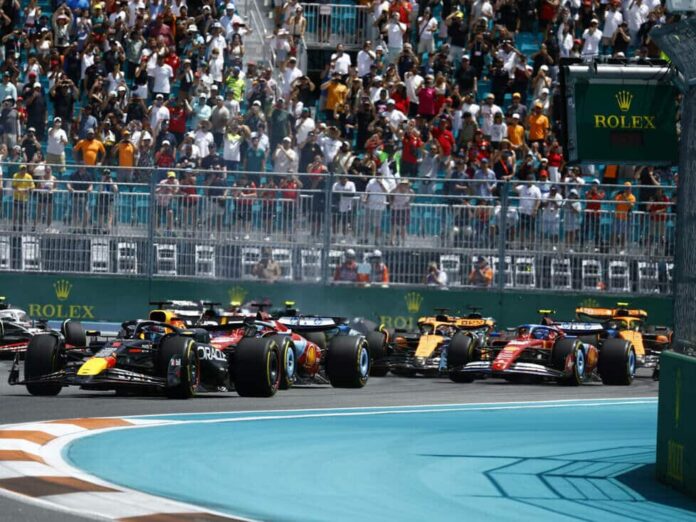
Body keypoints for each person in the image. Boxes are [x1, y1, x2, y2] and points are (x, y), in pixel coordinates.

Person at [614, 181, 636, 252]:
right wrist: (617, 195)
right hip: (617, 217)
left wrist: (625, 198)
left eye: (628, 188)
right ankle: (614, 248)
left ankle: (622, 249)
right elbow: (615, 202)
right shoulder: (619, 195)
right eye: (626, 188)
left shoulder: (632, 197)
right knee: (615, 233)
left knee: (623, 234)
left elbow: (631, 206)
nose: (627, 189)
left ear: (630, 189)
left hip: (625, 218)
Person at [11, 164, 34, 230]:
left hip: (24, 199)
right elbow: (13, 185)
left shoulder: (29, 176)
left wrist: (28, 189)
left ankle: (20, 227)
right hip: (16, 198)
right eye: (22, 169)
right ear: (19, 170)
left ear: (26, 170)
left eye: (24, 169)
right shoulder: (16, 175)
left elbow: (32, 186)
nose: (23, 170)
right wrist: (19, 190)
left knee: (22, 214)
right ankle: (14, 226)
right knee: (15, 213)